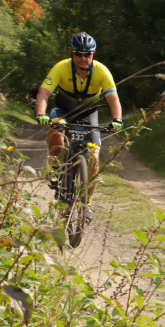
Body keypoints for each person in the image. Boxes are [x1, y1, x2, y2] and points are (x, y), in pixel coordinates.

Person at [34, 32, 123, 203]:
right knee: (55, 132)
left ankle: (87, 204)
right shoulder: (61, 67)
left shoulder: (102, 71)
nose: (83, 58)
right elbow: (44, 93)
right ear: (71, 52)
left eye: (87, 54)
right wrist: (41, 114)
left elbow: (113, 99)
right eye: (78, 54)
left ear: (93, 54)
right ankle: (54, 171)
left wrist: (117, 119)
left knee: (94, 158)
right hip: (63, 110)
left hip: (89, 114)